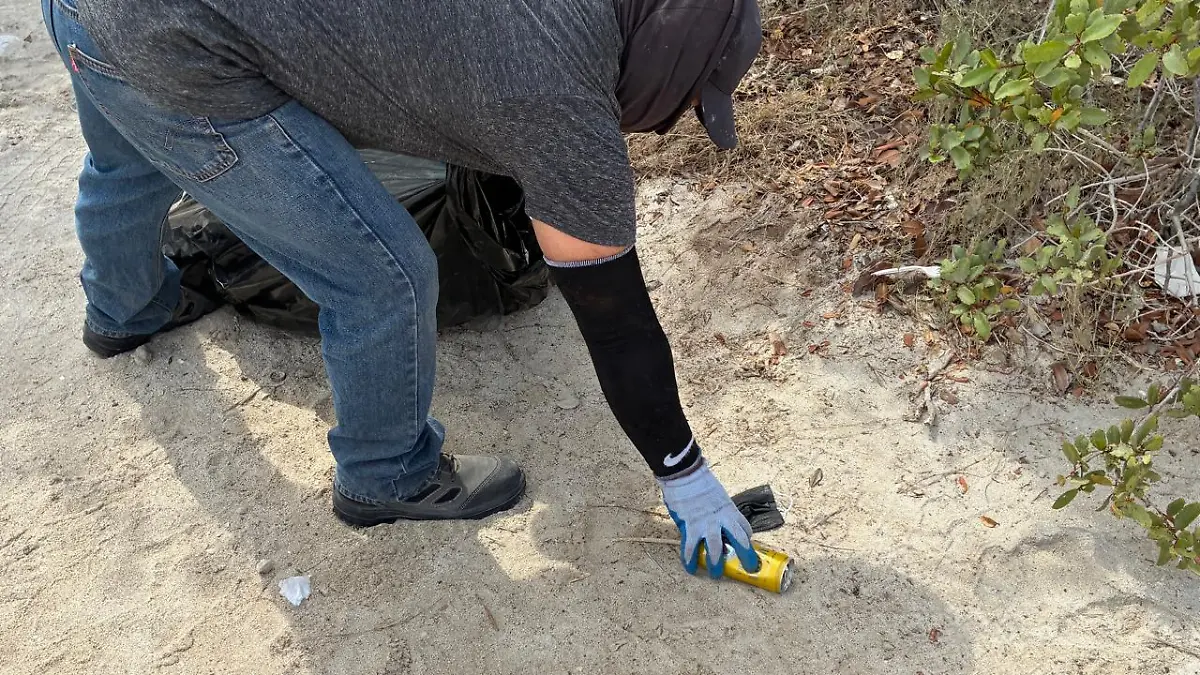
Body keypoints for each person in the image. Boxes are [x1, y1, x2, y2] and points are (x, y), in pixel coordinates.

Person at [42, 0, 764, 579]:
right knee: (386, 276)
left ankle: (126, 306)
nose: (663, 129)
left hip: (86, 16)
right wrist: (684, 473)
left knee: (127, 150)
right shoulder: (561, 105)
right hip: (169, 47)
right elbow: (616, 324)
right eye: (683, 108)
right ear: (666, 75)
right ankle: (387, 474)